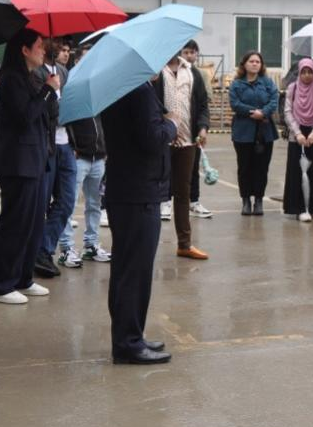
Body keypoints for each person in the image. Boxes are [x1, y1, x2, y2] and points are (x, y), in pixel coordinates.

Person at [102, 79, 178, 364]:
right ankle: (128, 343)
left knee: (126, 269)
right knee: (135, 272)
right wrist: (171, 124)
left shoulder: (118, 87)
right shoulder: (139, 90)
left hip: (126, 189)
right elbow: (152, 139)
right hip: (139, 191)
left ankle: (129, 335)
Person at [0, 28, 60, 305]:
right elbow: (24, 116)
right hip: (17, 163)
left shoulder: (30, 77)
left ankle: (22, 278)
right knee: (14, 223)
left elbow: (42, 114)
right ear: (24, 50)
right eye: (39, 46)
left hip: (35, 161)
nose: (43, 50)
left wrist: (50, 92)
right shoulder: (10, 79)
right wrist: (47, 91)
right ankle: (0, 285)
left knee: (33, 223)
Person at [155, 50, 210, 260]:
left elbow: (202, 105)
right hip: (161, 141)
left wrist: (202, 128)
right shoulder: (156, 72)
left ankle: (185, 244)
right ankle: (148, 245)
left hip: (187, 142)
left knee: (183, 193)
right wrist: (167, 126)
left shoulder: (192, 72)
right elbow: (151, 104)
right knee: (155, 192)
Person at [37, 39, 76, 277]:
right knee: (40, 203)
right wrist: (50, 91)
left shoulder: (62, 71)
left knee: (67, 201)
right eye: (57, 44)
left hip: (66, 144)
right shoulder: (36, 73)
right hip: (46, 146)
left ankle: (43, 250)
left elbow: (71, 106)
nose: (62, 50)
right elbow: (42, 110)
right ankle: (38, 252)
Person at [228, 51, 279, 216]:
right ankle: (245, 201)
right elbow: (235, 103)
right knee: (244, 168)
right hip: (243, 132)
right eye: (251, 61)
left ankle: (258, 200)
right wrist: (253, 112)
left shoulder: (267, 82)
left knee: (261, 168)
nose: (255, 64)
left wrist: (263, 113)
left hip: (265, 131)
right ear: (244, 64)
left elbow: (274, 100)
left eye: (258, 61)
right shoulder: (236, 84)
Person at [60, 109, 111, 267]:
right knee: (69, 204)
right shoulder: (74, 103)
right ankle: (66, 247)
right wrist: (72, 147)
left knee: (95, 204)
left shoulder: (97, 105)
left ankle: (91, 244)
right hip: (79, 157)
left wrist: (105, 149)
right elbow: (65, 124)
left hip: (98, 157)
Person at [282, 57, 313, 222]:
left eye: (310, 72)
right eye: (304, 72)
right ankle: (299, 208)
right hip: (297, 135)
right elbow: (287, 112)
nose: (307, 75)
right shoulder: (292, 88)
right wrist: (297, 133)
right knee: (297, 172)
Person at [180, 40, 214, 220]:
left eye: (192, 52)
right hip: (171, 131)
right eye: (185, 52)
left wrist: (203, 127)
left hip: (192, 131)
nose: (189, 56)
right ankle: (165, 202)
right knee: (168, 168)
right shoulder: (167, 73)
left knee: (193, 168)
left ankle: (194, 201)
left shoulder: (198, 75)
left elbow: (203, 104)